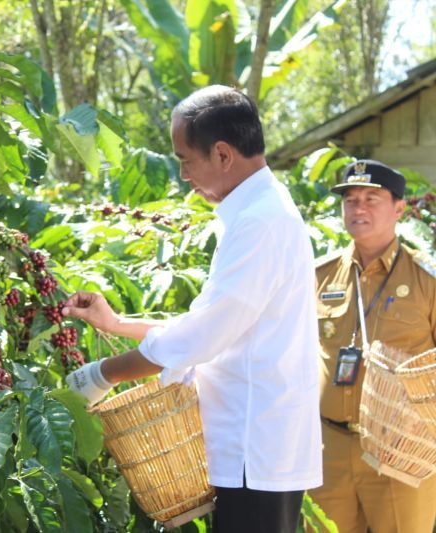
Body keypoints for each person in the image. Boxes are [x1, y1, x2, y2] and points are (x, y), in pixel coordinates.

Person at [64, 85, 322, 533]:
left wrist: (101, 375)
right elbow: (218, 323)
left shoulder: (262, 222)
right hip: (251, 446)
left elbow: (204, 335)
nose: (183, 174)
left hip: (253, 448)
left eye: (185, 159)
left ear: (222, 154)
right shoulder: (255, 214)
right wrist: (118, 324)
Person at [309, 159, 436, 533]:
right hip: (328, 447)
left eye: (371, 198)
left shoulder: (426, 278)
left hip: (403, 451)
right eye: (350, 199)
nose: (358, 208)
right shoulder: (317, 274)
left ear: (399, 208)